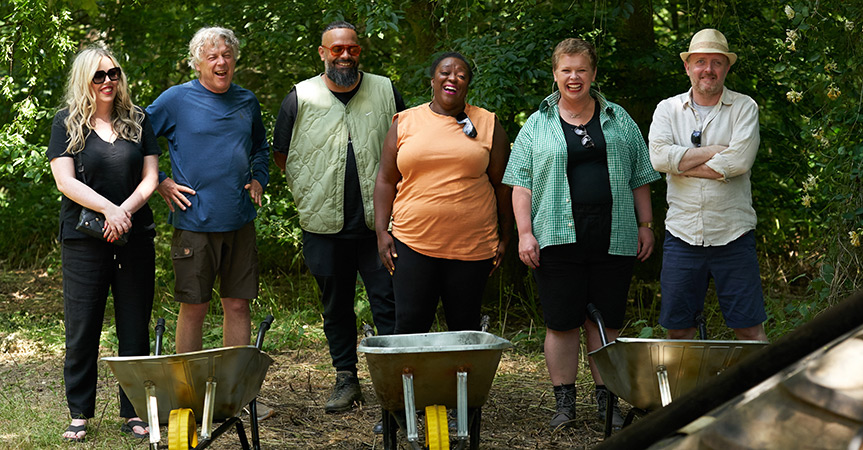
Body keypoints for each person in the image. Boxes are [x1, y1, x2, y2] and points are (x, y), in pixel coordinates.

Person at [503, 38, 660, 430]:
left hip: (615, 233)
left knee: (607, 321)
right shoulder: (537, 124)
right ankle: (565, 404)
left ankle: (609, 403)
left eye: (582, 70)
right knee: (561, 322)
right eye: (566, 70)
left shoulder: (619, 118)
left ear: (593, 73)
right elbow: (519, 184)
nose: (574, 78)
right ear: (555, 74)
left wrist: (645, 225)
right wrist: (525, 233)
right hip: (556, 235)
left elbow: (641, 175)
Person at [272, 21, 401, 415]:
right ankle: (346, 378)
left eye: (352, 49)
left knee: (388, 303)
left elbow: (408, 144)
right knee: (336, 306)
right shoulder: (300, 96)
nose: (345, 55)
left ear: (359, 51)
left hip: (380, 225)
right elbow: (281, 153)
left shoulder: (385, 90)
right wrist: (309, 188)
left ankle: (395, 387)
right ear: (322, 52)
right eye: (337, 49)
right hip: (322, 224)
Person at [48, 47, 159, 442]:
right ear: (84, 80)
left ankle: (134, 412)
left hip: (135, 238)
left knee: (134, 327)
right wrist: (109, 210)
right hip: (83, 242)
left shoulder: (138, 120)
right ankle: (79, 412)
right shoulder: (66, 123)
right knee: (82, 328)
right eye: (98, 76)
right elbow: (65, 182)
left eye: (113, 73)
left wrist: (122, 213)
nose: (108, 80)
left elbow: (150, 179)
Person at [147, 27, 269, 355]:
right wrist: (159, 181)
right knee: (194, 308)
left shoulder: (246, 100)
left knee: (238, 306)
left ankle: (234, 396)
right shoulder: (175, 100)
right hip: (194, 224)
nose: (221, 62)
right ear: (197, 63)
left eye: (227, 55)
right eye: (212, 56)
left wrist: (259, 178)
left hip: (239, 220)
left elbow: (261, 146)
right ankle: (190, 394)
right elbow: (137, 138)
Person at [374, 51, 512, 334]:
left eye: (461, 75)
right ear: (433, 80)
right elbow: (386, 180)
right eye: (446, 73)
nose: (453, 78)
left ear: (467, 85)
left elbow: (503, 185)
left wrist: (507, 235)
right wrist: (380, 232)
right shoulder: (405, 122)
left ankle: (460, 380)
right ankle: (412, 380)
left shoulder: (488, 124)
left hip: (472, 248)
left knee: (464, 331)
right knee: (410, 329)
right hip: (411, 244)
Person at [648, 28, 768, 342]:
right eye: (700, 61)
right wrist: (713, 153)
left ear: (727, 68)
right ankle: (685, 393)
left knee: (749, 327)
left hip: (734, 234)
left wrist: (682, 165)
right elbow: (659, 159)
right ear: (688, 67)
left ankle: (763, 391)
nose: (708, 69)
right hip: (682, 235)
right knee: (678, 329)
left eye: (716, 62)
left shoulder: (744, 108)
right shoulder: (668, 109)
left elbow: (739, 163)